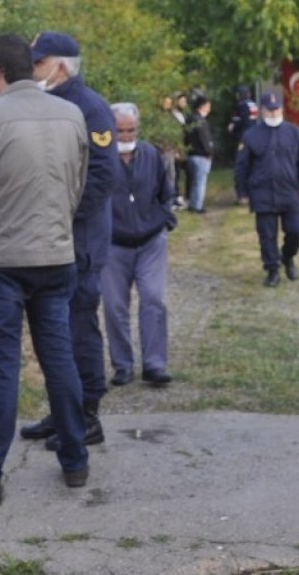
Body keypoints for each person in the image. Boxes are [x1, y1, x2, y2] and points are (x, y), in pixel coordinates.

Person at [0, 33, 90, 502]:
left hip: (0, 259)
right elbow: (77, 186)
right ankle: (75, 460)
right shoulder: (72, 115)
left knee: (3, 365)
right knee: (59, 356)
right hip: (55, 254)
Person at [20, 31, 118, 453]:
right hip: (55, 237)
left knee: (78, 325)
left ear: (60, 66)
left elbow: (100, 179)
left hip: (78, 238)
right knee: (51, 329)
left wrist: (58, 215)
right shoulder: (55, 104)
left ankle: (87, 414)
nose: (32, 70)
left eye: (38, 63)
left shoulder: (89, 108)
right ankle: (64, 409)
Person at [102, 103, 176, 387]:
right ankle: (122, 365)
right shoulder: (101, 158)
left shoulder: (150, 155)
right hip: (113, 244)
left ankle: (155, 364)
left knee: (153, 299)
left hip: (150, 242)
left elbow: (166, 192)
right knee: (114, 306)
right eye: (119, 130)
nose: (125, 136)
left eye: (130, 130)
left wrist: (163, 220)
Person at [234, 90, 299, 288]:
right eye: (269, 110)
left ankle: (287, 257)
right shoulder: (251, 135)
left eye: (276, 109)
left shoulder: (294, 133)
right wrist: (242, 192)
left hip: (289, 192)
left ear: (281, 109)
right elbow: (242, 166)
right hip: (262, 193)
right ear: (262, 111)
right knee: (267, 235)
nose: (273, 113)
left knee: (296, 230)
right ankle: (272, 270)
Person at [184, 91, 216, 213]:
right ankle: (197, 205)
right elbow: (204, 138)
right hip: (201, 155)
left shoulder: (190, 119)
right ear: (203, 106)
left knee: (194, 181)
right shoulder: (201, 121)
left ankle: (193, 203)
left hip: (191, 154)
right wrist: (209, 152)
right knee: (200, 182)